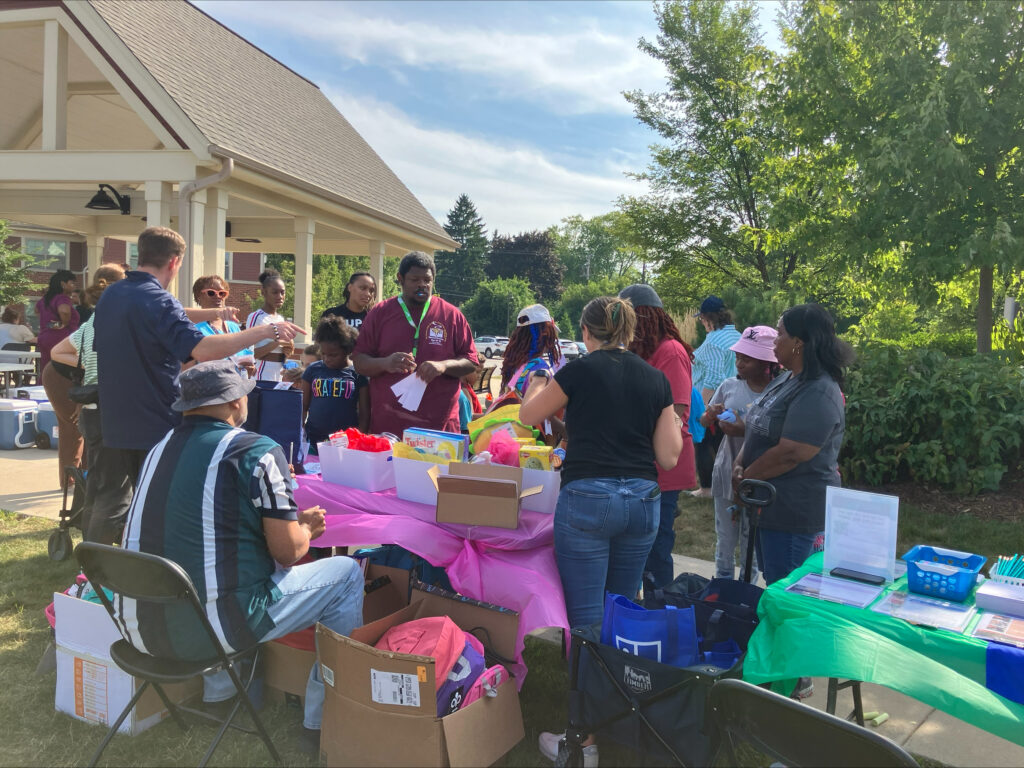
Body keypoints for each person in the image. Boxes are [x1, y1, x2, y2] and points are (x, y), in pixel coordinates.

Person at [119, 360, 365, 750]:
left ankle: (221, 695)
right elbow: (288, 553)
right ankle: (321, 721)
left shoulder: (157, 449)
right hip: (211, 634)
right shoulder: (256, 450)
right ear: (236, 401)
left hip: (137, 631)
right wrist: (306, 529)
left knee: (208, 565)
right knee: (347, 573)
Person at [521, 296, 682, 767]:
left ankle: (581, 739)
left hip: (590, 497)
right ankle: (617, 718)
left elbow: (530, 416)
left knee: (587, 623)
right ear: (631, 333)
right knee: (619, 612)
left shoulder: (579, 371)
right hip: (642, 500)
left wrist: (538, 382)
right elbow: (669, 457)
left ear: (586, 332)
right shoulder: (655, 378)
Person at [93, 226, 305, 544]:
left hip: (111, 419)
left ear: (141, 254)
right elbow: (203, 349)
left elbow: (168, 312)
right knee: (160, 506)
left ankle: (91, 575)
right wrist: (265, 332)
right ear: (175, 263)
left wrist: (216, 312)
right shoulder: (159, 300)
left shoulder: (113, 294)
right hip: (154, 424)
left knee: (112, 503)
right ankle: (149, 571)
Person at [733, 304, 853, 585]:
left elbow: (793, 452)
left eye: (780, 333)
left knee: (789, 593)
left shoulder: (819, 389)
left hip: (795, 515)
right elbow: (756, 426)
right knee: (775, 583)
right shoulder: (788, 378)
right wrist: (739, 464)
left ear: (798, 343)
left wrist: (746, 479)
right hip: (769, 505)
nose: (775, 340)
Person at [619, 284, 697, 590]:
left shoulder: (671, 352)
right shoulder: (642, 352)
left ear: (643, 317)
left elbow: (677, 413)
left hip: (663, 467)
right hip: (638, 463)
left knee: (655, 549)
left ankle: (658, 612)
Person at [352, 251, 478, 436]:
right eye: (414, 279)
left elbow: (471, 361)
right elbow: (359, 361)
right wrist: (385, 363)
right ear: (400, 279)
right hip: (390, 426)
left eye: (427, 280)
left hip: (439, 427)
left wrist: (443, 366)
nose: (422, 285)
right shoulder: (380, 313)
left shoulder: (451, 315)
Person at [50, 264, 127, 542]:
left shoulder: (91, 323)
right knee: (114, 490)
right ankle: (97, 555)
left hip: (92, 411)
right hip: (114, 411)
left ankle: (91, 542)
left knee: (96, 481)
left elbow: (57, 352)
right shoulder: (122, 321)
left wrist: (85, 364)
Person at [701, 325, 780, 582]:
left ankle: (748, 589)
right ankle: (722, 587)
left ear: (767, 362)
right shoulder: (730, 385)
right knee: (725, 539)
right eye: (738, 357)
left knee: (752, 543)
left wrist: (743, 429)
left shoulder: (779, 390)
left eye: (747, 358)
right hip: (727, 470)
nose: (739, 363)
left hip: (761, 474)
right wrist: (711, 415)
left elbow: (779, 434)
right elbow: (703, 420)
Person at [691, 295, 741, 498]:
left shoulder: (713, 341)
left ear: (707, 318)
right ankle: (729, 484)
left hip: (713, 402)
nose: (701, 323)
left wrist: (702, 408)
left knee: (702, 442)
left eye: (701, 319)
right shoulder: (735, 335)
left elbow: (712, 378)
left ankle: (707, 488)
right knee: (726, 443)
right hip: (734, 399)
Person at [300, 316, 369, 454]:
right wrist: (300, 433)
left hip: (345, 443)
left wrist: (360, 439)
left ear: (347, 351)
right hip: (314, 441)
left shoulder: (358, 373)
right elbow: (303, 406)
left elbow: (365, 413)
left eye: (333, 355)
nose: (327, 359)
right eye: (324, 354)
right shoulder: (312, 370)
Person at [191, 275, 255, 377]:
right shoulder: (195, 328)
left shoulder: (234, 327)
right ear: (199, 296)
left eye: (222, 293)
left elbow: (243, 358)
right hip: (209, 388)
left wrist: (248, 369)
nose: (218, 297)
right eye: (211, 293)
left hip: (237, 387)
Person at [246, 269, 293, 381]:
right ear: (264, 292)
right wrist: (277, 343)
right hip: (261, 374)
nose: (280, 296)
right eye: (275, 292)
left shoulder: (281, 319)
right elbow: (247, 353)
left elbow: (286, 349)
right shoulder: (256, 317)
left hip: (279, 374)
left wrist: (288, 351)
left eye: (282, 292)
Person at [35, 269, 79, 371]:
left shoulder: (45, 299)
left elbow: (37, 310)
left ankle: (43, 386)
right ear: (63, 284)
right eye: (72, 283)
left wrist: (50, 324)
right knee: (61, 370)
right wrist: (64, 323)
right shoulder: (63, 298)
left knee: (46, 369)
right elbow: (64, 311)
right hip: (61, 338)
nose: (74, 286)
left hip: (44, 337)